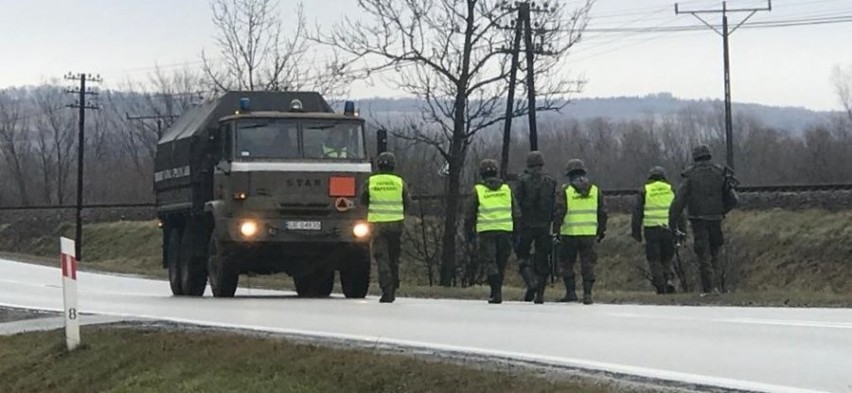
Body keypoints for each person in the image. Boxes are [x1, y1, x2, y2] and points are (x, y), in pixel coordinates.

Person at [670, 144, 738, 295]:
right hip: (716, 219)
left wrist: (673, 222)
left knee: (703, 255)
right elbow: (734, 200)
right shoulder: (720, 173)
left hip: (698, 220)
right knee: (715, 254)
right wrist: (722, 211)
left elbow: (678, 202)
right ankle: (717, 288)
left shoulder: (690, 175)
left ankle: (709, 288)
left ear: (695, 157)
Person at [465, 159, 520, 304]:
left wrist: (468, 232)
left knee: (490, 262)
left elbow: (470, 213)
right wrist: (517, 231)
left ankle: (495, 292)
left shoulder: (478, 190)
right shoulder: (506, 189)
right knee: (501, 262)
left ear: (482, 174)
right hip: (505, 230)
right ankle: (497, 290)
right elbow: (516, 212)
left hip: (486, 230)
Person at [553, 159, 607, 305]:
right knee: (588, 264)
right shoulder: (595, 190)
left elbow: (559, 212)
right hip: (589, 234)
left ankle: (571, 293)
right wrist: (601, 231)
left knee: (567, 264)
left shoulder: (566, 191)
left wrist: (555, 232)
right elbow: (602, 213)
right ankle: (588, 294)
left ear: (570, 175)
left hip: (569, 234)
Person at [361, 152, 409, 303]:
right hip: (396, 226)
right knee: (394, 258)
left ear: (379, 165)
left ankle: (387, 290)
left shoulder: (371, 181)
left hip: (378, 226)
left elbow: (363, 200)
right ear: (393, 165)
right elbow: (407, 202)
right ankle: (394, 285)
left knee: (382, 258)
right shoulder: (399, 182)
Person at [514, 151, 556, 304]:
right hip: (544, 226)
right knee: (542, 259)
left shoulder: (522, 181)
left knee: (522, 256)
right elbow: (554, 205)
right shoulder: (550, 182)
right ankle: (540, 295)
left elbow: (516, 203)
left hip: (526, 225)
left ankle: (531, 282)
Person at [631, 166, 677, 295]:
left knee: (654, 259)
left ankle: (660, 286)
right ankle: (668, 280)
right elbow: (678, 211)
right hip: (668, 229)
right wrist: (682, 230)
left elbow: (637, 213)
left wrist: (636, 232)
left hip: (652, 230)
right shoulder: (670, 190)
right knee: (667, 258)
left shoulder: (645, 190)